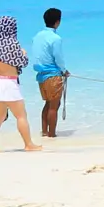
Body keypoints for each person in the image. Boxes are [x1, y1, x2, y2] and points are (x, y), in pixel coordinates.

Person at [0, 16, 42, 152]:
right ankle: (28, 144)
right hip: (10, 84)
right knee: (21, 116)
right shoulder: (13, 44)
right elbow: (23, 63)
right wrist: (23, 53)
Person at [28, 8, 69, 140]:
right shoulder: (55, 38)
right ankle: (52, 135)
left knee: (47, 103)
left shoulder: (37, 36)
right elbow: (58, 58)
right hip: (53, 75)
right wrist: (64, 70)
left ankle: (44, 132)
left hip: (41, 76)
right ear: (57, 22)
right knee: (54, 106)